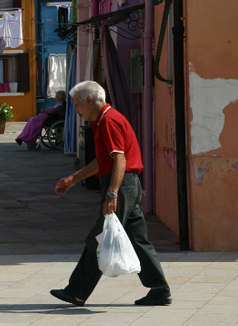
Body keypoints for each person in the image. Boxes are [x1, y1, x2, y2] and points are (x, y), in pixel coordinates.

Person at [51, 81, 171, 307]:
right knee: (137, 240)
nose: (77, 110)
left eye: (77, 105)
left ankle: (76, 291)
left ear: (89, 100)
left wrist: (112, 193)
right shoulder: (102, 121)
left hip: (122, 184)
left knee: (98, 237)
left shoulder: (108, 120)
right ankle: (159, 290)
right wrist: (73, 179)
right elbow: (103, 160)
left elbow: (120, 159)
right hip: (127, 184)